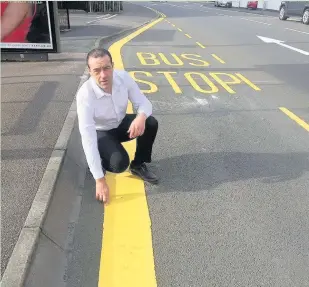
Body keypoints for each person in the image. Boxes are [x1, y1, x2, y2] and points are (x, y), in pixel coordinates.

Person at [76, 48, 159, 204]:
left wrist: (141, 117)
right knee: (119, 164)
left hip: (120, 123)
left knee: (150, 122)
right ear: (89, 71)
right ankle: (101, 158)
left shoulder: (123, 78)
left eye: (107, 68)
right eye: (97, 70)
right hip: (101, 132)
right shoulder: (85, 95)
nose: (103, 75)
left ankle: (138, 164)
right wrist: (100, 180)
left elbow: (143, 102)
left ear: (112, 65)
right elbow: (88, 138)